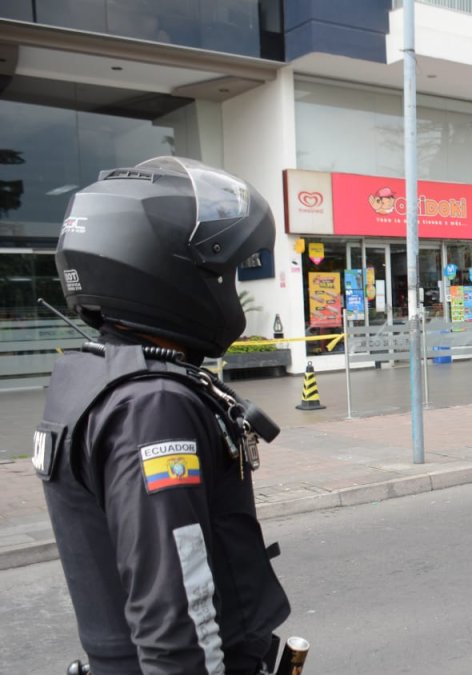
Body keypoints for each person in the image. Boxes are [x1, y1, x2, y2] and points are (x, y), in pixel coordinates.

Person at [34, 157, 291, 674]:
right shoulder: (153, 405)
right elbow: (176, 611)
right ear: (165, 272)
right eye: (224, 272)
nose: (229, 285)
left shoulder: (95, 376)